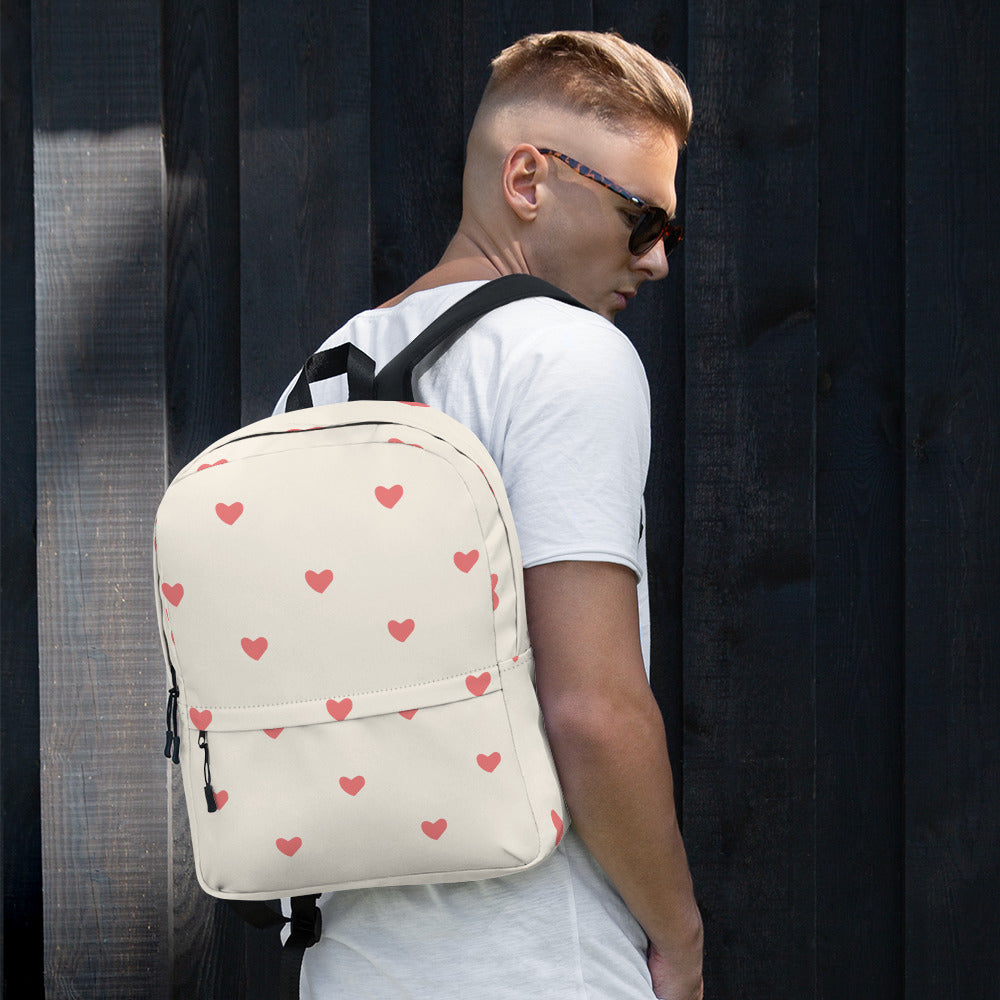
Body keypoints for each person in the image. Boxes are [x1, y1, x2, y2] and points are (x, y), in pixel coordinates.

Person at [275, 29, 703, 1000]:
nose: (659, 262)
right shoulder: (565, 353)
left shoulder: (316, 379)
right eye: (645, 221)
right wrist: (679, 936)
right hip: (537, 960)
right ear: (528, 179)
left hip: (347, 964)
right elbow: (590, 707)